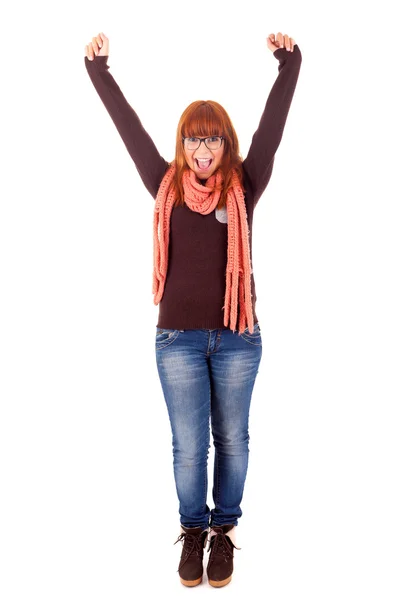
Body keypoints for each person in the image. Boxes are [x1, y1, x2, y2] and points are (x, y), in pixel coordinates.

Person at [84, 30, 302, 588]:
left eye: (212, 142)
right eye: (192, 142)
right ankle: (193, 532)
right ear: (182, 146)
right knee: (188, 447)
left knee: (234, 440)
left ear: (225, 144)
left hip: (237, 338)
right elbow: (127, 127)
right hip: (177, 339)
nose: (202, 152)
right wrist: (100, 70)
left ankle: (224, 532)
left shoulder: (245, 187)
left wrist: (289, 63)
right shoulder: (166, 186)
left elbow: (271, 132)